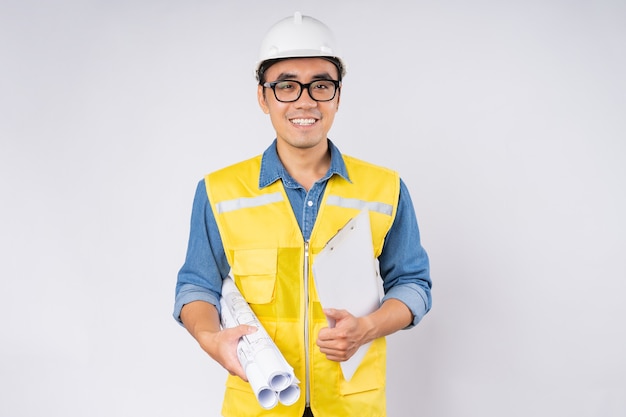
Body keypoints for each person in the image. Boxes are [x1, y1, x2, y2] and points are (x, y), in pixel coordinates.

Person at [173, 12, 431, 417]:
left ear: (338, 95)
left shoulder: (385, 189)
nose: (305, 101)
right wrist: (210, 339)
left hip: (351, 405)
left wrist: (367, 328)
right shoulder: (219, 191)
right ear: (263, 97)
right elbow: (196, 286)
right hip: (262, 400)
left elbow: (413, 284)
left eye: (321, 86)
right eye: (287, 86)